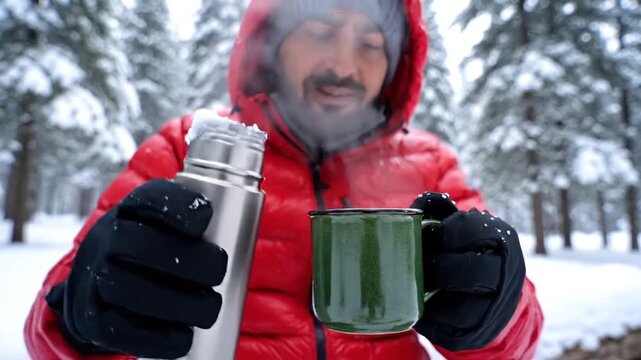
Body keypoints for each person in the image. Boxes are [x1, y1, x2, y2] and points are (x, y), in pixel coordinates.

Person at [25, 0, 544, 359]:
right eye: (320, 32)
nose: (343, 64)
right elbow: (45, 334)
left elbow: (519, 339)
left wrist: (496, 306)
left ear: (394, 64)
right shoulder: (194, 147)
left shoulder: (431, 163)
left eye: (370, 44)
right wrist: (82, 308)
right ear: (273, 42)